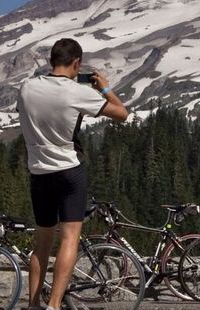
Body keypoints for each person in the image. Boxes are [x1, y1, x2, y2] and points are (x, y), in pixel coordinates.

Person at [17, 38, 129, 310]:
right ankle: (54, 305)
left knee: (41, 242)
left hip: (39, 172)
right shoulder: (77, 92)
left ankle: (33, 305)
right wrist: (105, 88)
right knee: (69, 237)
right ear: (77, 63)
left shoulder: (27, 88)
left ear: (51, 61)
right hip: (69, 170)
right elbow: (122, 114)